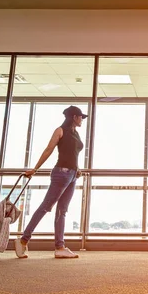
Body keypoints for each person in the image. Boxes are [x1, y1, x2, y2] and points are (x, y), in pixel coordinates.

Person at [14, 105, 88, 259]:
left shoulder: (76, 133)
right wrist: (35, 169)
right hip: (61, 174)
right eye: (81, 117)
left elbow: (72, 153)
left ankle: (59, 247)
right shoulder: (60, 130)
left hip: (73, 175)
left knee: (62, 211)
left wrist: (77, 168)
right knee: (46, 207)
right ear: (74, 117)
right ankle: (23, 240)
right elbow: (48, 150)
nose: (82, 120)